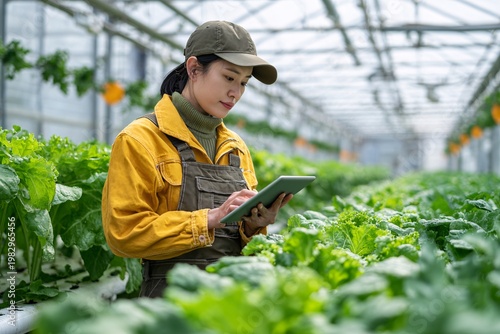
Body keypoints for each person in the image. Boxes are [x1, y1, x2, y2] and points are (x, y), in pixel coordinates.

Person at [101, 20, 293, 298]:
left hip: (232, 302)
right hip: (169, 307)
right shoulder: (139, 139)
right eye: (229, 77)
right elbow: (124, 233)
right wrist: (208, 219)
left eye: (243, 83)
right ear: (193, 69)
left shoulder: (236, 147)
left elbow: (245, 242)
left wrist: (254, 224)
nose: (236, 93)